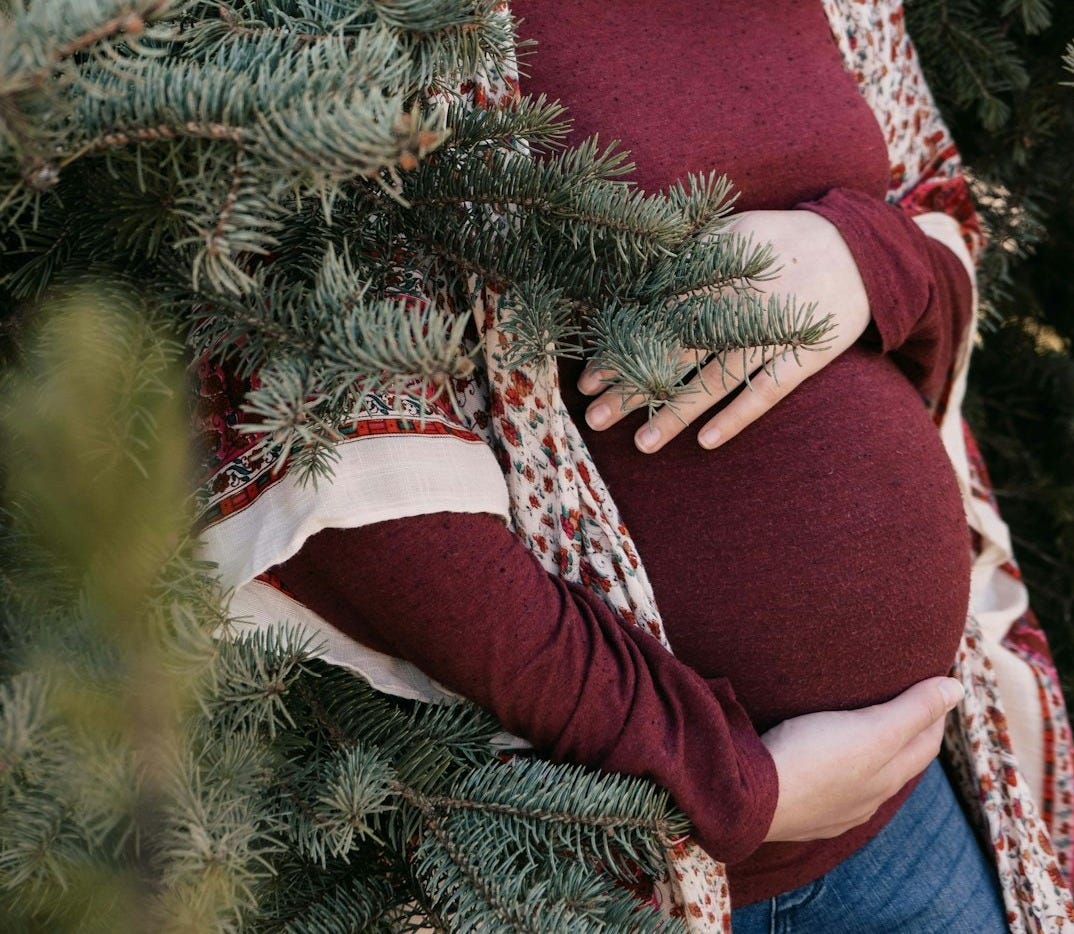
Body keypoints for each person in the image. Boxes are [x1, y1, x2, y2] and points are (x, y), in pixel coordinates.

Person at [195, 1, 1074, 929]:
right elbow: (328, 450)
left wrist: (861, 259)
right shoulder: (359, 25)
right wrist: (725, 785)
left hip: (903, 817)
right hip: (562, 857)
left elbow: (933, 209)